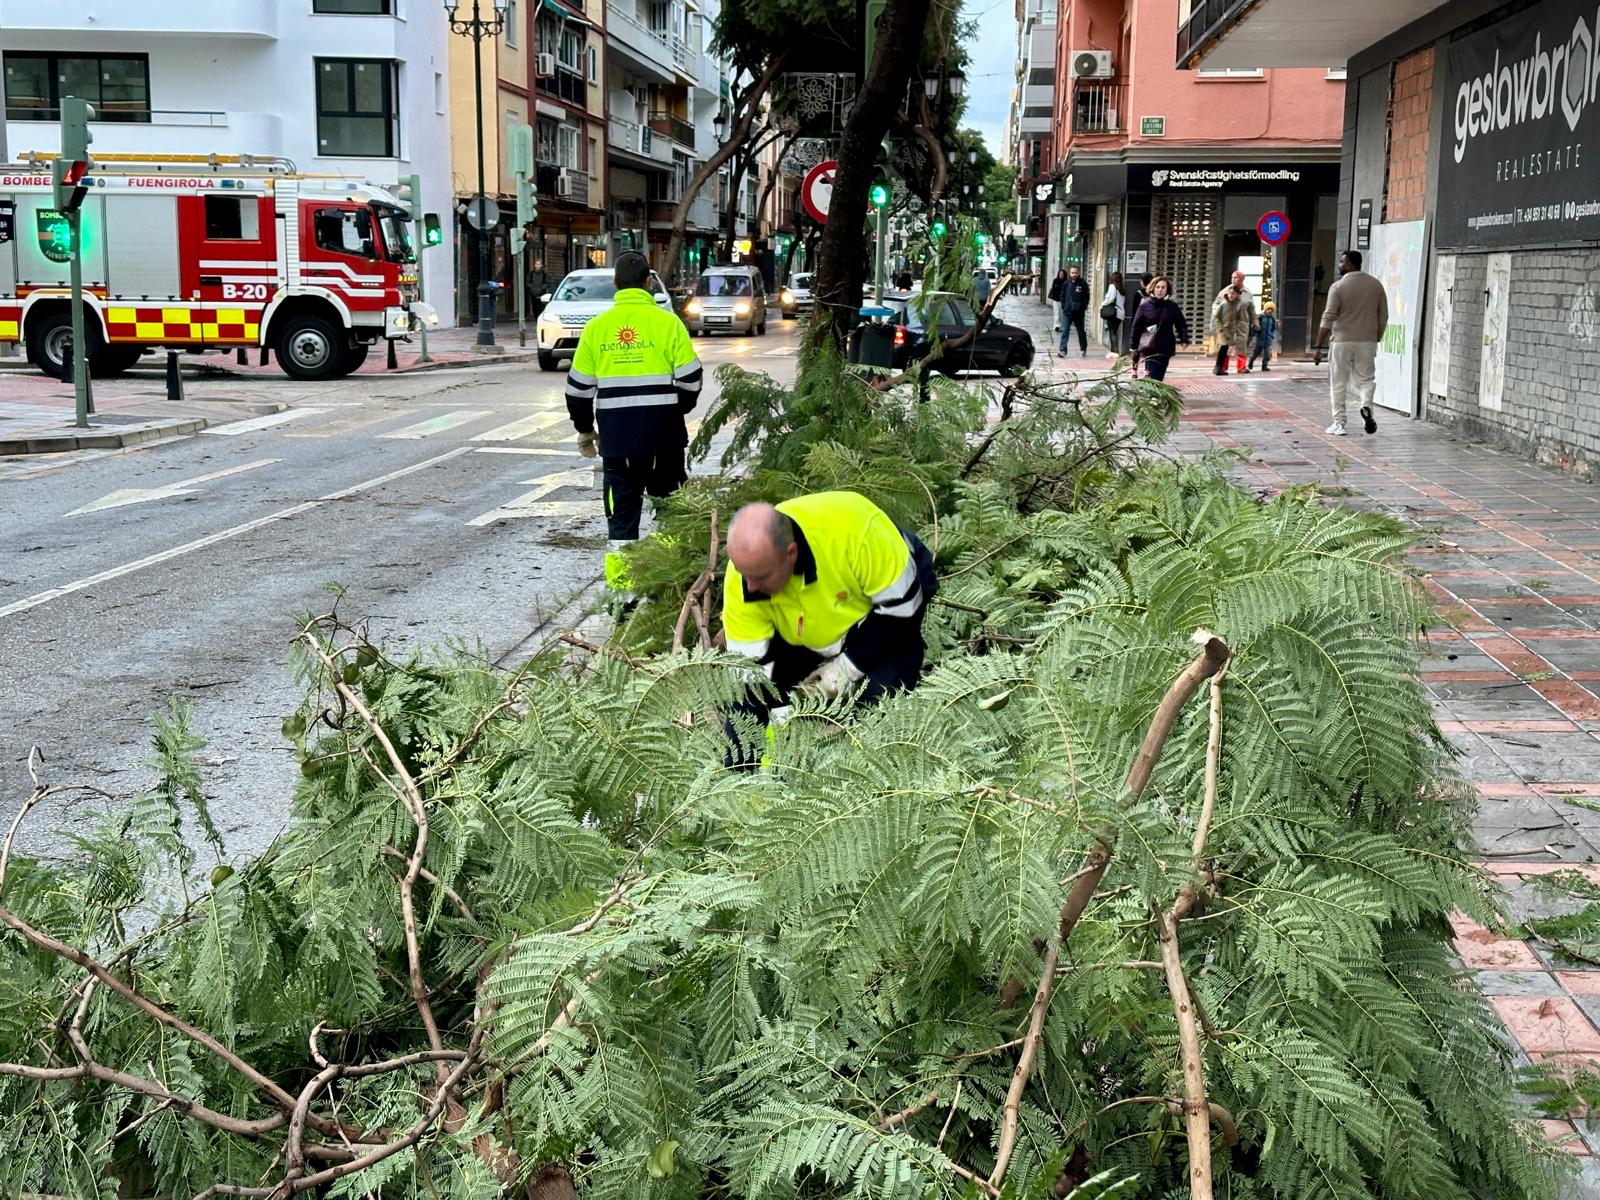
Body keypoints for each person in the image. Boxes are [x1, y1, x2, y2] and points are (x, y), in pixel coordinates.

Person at [721, 492, 938, 755]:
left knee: (879, 713)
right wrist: (740, 761)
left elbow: (902, 611)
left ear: (791, 553)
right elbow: (748, 681)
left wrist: (847, 667)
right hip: (805, 624)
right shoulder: (744, 578)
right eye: (745, 575)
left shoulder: (858, 532)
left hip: (888, 615)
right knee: (756, 704)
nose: (751, 586)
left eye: (761, 577)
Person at [564, 250, 703, 589]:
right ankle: (667, 590)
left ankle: (623, 598)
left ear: (616, 283)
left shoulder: (597, 329)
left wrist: (585, 429)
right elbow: (691, 379)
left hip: (619, 446)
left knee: (622, 525)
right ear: (648, 282)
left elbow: (578, 390)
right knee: (670, 517)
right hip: (664, 442)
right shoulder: (668, 323)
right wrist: (676, 410)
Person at [1312, 249, 1389, 436]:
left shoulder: (1338, 287)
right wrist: (1376, 336)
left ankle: (1339, 423)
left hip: (1342, 341)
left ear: (1350, 263)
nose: (1339, 265)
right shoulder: (1376, 285)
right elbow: (1383, 315)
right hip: (1367, 341)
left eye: (1342, 262)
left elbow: (1328, 317)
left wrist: (1318, 346)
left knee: (1338, 382)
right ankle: (1366, 405)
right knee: (1366, 379)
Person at [1128, 275, 1190, 382]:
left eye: (1163, 287)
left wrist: (1184, 339)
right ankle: (1151, 392)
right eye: (1158, 287)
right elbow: (1136, 326)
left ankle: (1152, 391)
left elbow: (1181, 323)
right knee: (1153, 376)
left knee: (1159, 375)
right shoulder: (1145, 306)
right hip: (1150, 347)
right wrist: (1133, 346)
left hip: (1166, 347)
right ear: (1153, 288)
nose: (1160, 290)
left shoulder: (1172, 306)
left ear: (1167, 290)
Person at [1210, 269, 1257, 376]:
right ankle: (1222, 367)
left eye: (1236, 278)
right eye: (1232, 277)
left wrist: (1255, 322)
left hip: (1241, 324)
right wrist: (1219, 311)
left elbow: (1252, 310)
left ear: (1242, 279)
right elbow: (1216, 304)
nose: (1233, 279)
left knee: (1241, 347)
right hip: (1228, 324)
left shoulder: (1247, 293)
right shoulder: (1225, 291)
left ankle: (1241, 367)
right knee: (1225, 347)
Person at [1058, 265, 1091, 356]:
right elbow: (1062, 295)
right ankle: (1062, 350)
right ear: (1070, 273)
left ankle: (1083, 349)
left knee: (1081, 331)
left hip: (1079, 313)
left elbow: (1086, 297)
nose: (1074, 274)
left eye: (1076, 273)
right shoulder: (1066, 283)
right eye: (1072, 273)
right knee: (1065, 330)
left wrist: (1082, 307)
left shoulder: (1083, 283)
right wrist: (1064, 306)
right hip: (1067, 312)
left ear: (1078, 273)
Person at [1247, 301, 1278, 372]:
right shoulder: (1260, 317)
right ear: (1265, 309)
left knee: (1267, 354)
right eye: (1268, 309)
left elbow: (1274, 328)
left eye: (1271, 309)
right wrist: (1253, 332)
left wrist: (1272, 335)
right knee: (1256, 353)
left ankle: (1264, 366)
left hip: (1268, 339)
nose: (1270, 311)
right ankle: (1251, 362)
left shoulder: (1272, 319)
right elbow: (1255, 326)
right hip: (1260, 339)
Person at [1101, 271, 1125, 357]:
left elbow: (1110, 299)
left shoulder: (1112, 286)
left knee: (1112, 332)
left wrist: (1102, 304)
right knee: (1114, 332)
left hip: (1113, 313)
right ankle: (1113, 351)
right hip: (1120, 314)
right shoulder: (1121, 288)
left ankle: (1114, 352)